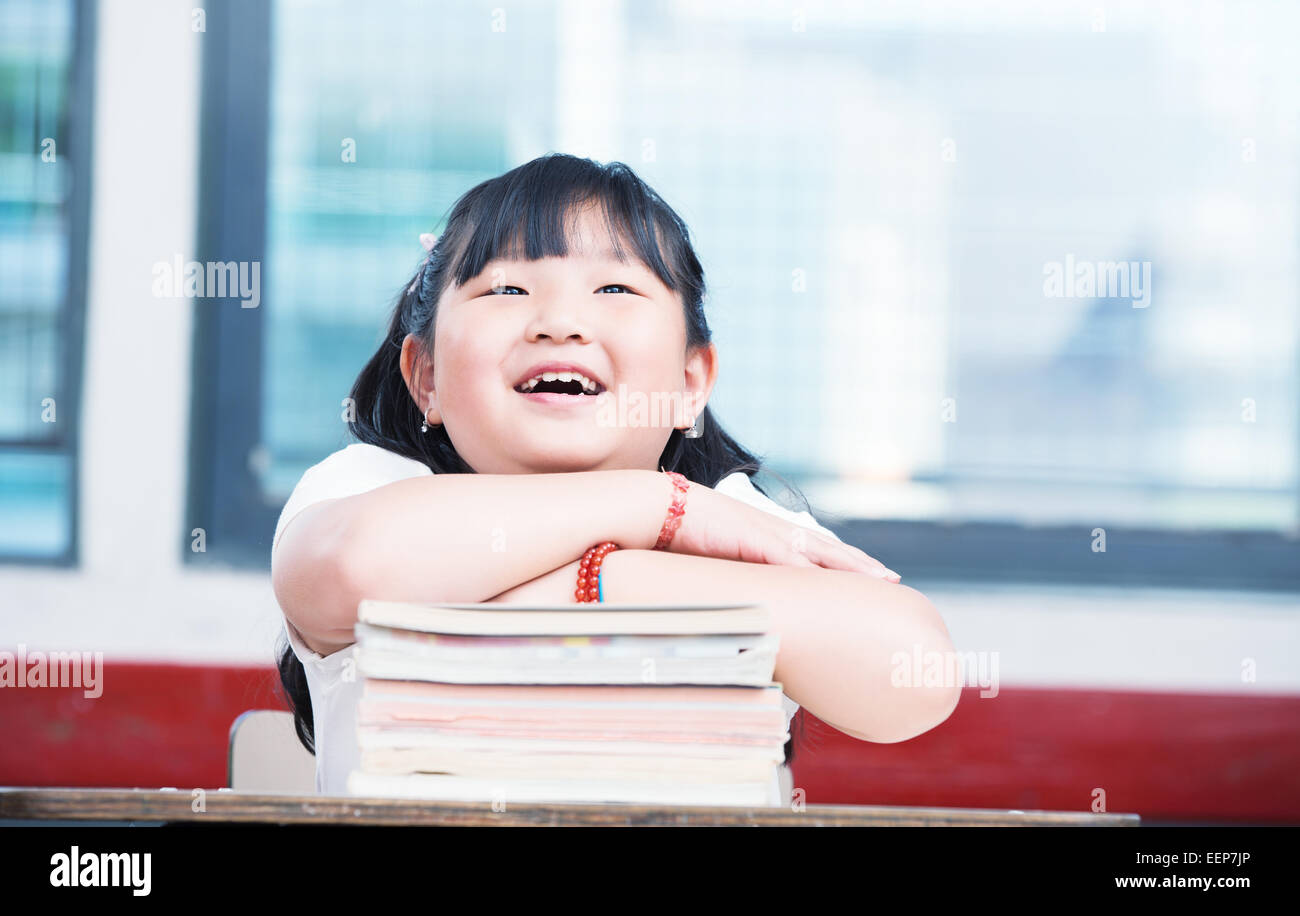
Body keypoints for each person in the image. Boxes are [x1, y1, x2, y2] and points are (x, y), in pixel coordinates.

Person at [270, 152, 960, 801]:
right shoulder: (369, 484)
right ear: (426, 379)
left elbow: (914, 672)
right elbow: (351, 570)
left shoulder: (733, 511)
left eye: (615, 287)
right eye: (507, 287)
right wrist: (655, 508)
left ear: (691, 384)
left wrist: (612, 582)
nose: (561, 322)